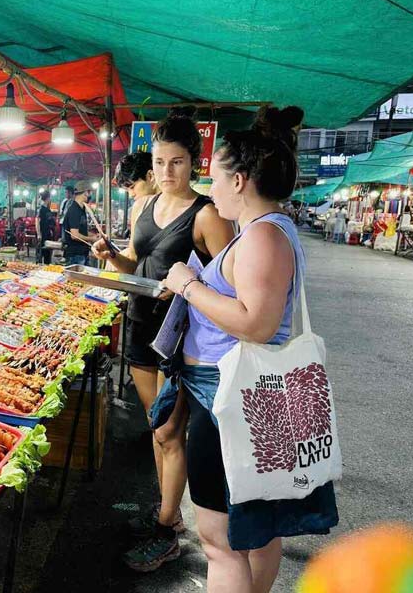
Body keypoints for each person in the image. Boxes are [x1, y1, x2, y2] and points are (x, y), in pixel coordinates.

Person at [159, 106, 338, 592]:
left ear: (239, 180)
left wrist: (189, 285)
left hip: (231, 399)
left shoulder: (262, 235)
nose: (210, 188)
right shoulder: (266, 230)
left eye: (214, 177)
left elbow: (256, 323)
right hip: (239, 395)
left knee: (221, 541)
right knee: (257, 533)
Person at [93, 110, 234, 572]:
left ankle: (167, 530)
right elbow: (134, 264)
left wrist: (190, 287)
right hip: (140, 328)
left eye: (176, 162)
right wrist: (111, 256)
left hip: (180, 339)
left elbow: (231, 286)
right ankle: (166, 514)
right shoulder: (143, 207)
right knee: (158, 430)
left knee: (171, 432)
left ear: (194, 161)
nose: (166, 171)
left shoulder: (208, 215)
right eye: (159, 162)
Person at [63, 181, 96, 265]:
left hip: (82, 253)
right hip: (75, 255)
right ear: (85, 193)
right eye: (90, 192)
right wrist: (92, 239)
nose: (90, 195)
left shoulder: (81, 209)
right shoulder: (74, 210)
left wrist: (94, 235)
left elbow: (81, 230)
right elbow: (74, 235)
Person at [36, 190, 56, 264]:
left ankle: (47, 268)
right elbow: (37, 221)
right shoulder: (41, 209)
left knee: (47, 254)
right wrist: (39, 234)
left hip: (47, 234)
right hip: (42, 233)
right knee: (40, 254)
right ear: (48, 198)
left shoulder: (47, 209)